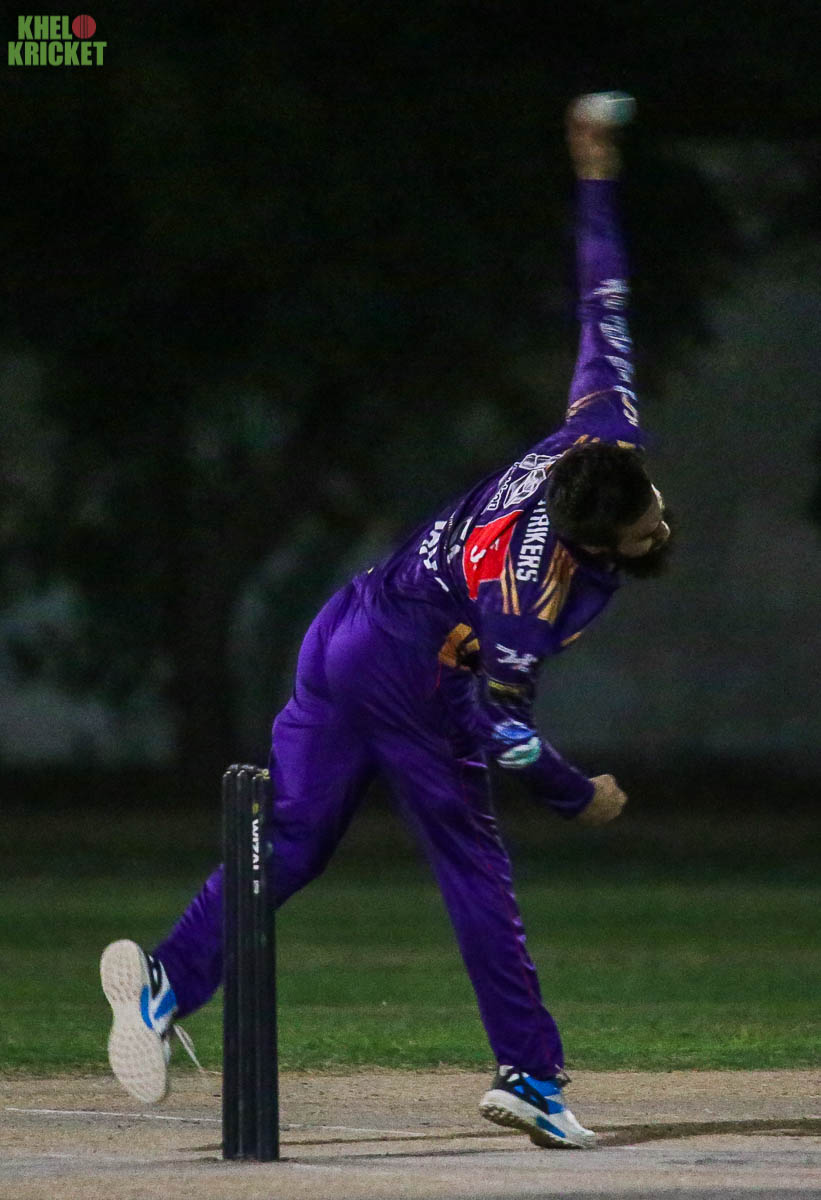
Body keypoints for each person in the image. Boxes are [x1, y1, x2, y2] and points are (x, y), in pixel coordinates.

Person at [100, 94, 672, 1149]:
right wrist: (573, 792)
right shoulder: (526, 599)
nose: (659, 527)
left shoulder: (601, 426)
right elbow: (500, 724)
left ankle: (166, 985)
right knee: (471, 862)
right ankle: (529, 1075)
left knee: (295, 836)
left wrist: (595, 176)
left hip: (346, 625)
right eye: (643, 535)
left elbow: (604, 297)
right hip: (417, 667)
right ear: (593, 545)